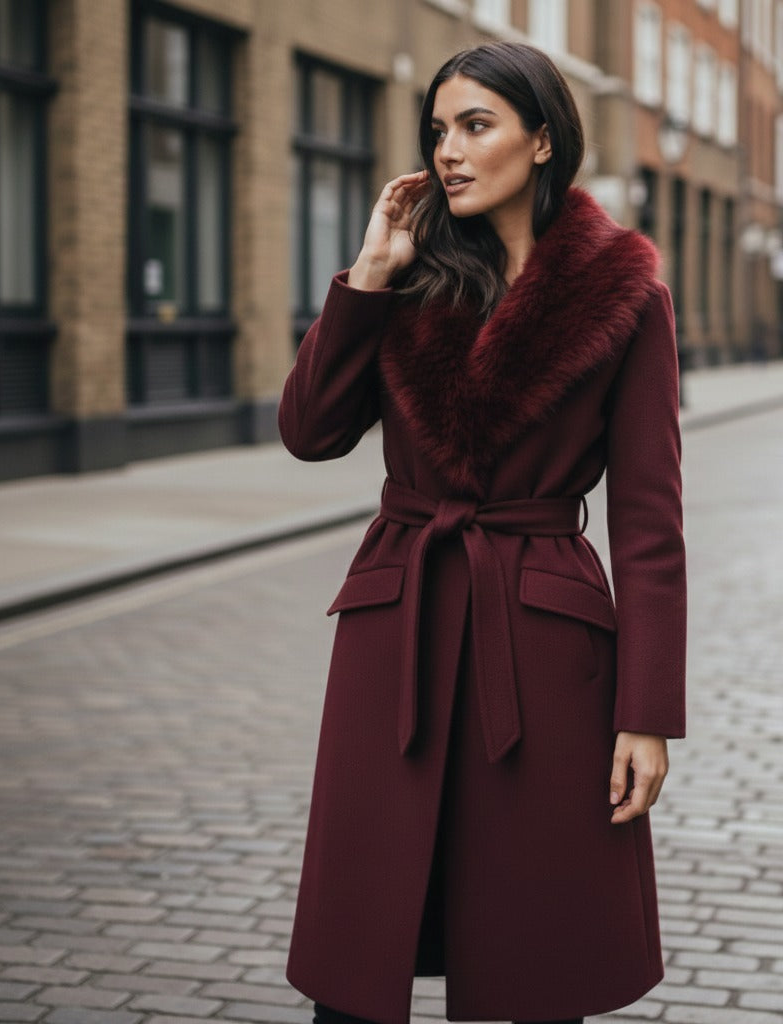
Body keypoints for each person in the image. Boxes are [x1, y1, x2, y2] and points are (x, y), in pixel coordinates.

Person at [279, 41, 686, 1024]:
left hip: (541, 644)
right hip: (398, 627)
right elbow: (310, 431)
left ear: (542, 140)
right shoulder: (408, 276)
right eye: (438, 131)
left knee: (541, 960)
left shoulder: (626, 295)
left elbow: (649, 523)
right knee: (359, 954)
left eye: (475, 125)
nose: (448, 152)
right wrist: (368, 275)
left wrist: (647, 714)